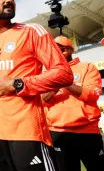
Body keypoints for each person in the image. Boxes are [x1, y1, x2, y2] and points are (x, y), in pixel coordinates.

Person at [0, 0, 74, 171]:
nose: (9, 0)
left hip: (26, 134)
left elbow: (64, 74)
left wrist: (17, 84)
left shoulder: (31, 32)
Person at [42, 36, 104, 171]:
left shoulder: (87, 67)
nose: (57, 52)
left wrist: (67, 83)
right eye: (54, 49)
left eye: (62, 49)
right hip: (59, 132)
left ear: (70, 50)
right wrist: (56, 84)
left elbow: (92, 94)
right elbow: (42, 100)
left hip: (88, 131)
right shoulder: (47, 74)